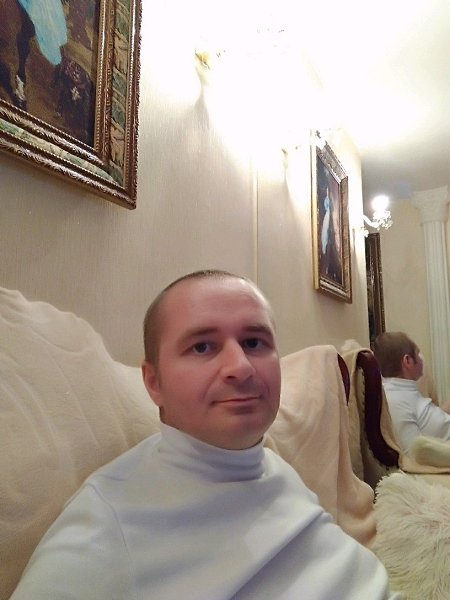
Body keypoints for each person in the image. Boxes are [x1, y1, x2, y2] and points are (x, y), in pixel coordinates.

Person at [11, 270, 399, 599]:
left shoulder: (272, 463)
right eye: (202, 347)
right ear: (153, 383)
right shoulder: (105, 525)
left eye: (253, 342)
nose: (240, 367)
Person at [373, 331, 450, 455]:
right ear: (407, 361)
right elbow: (415, 456)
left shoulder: (403, 391)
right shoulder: (395, 402)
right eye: (418, 354)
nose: (422, 360)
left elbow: (429, 421)